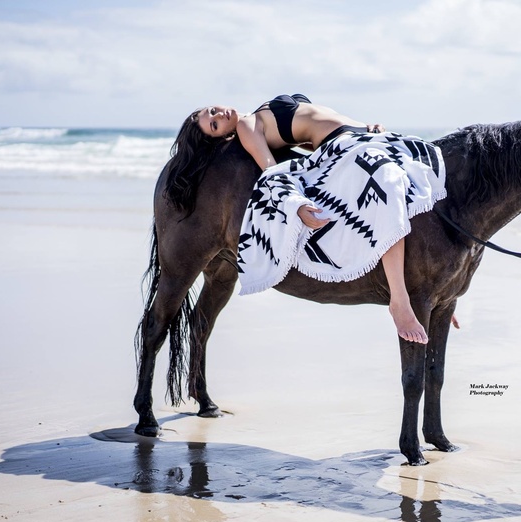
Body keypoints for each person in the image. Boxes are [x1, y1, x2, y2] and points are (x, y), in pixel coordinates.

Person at [171, 94, 446, 344]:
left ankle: (442, 284)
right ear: (222, 138)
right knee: (387, 188)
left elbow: (308, 134)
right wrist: (296, 204)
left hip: (362, 134)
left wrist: (364, 126)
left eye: (212, 111)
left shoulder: (256, 115)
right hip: (343, 146)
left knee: (421, 175)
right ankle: (399, 300)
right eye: (215, 125)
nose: (219, 116)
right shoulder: (246, 126)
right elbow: (270, 170)